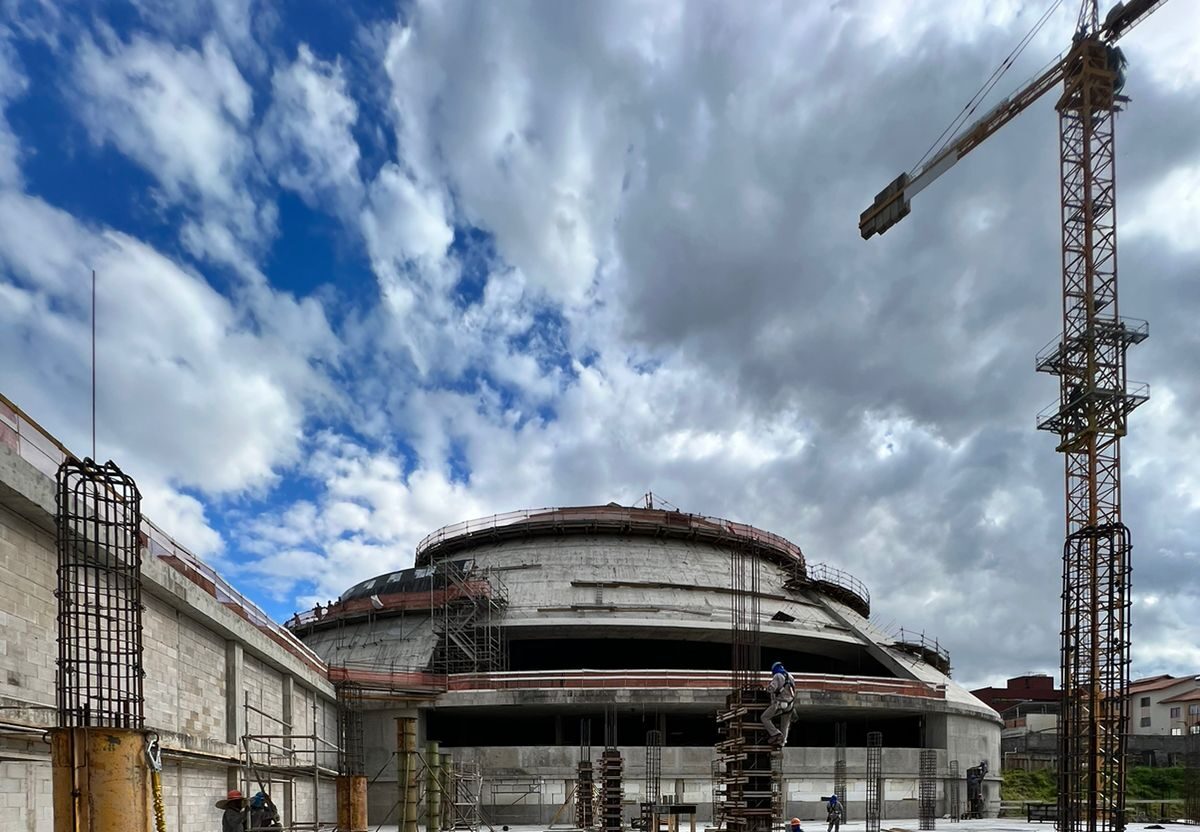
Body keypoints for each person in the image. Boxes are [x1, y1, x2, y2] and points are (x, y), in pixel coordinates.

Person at [761, 661, 796, 746]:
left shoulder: (777, 676)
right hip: (790, 705)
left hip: (779, 704)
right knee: (785, 725)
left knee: (765, 717)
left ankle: (775, 733)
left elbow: (771, 689)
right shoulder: (791, 677)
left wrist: (767, 689)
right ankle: (782, 742)